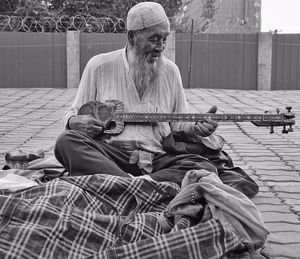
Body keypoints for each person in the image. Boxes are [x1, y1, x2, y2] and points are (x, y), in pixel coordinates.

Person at [54, 2, 230, 186]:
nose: (160, 47)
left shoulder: (171, 71)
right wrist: (73, 122)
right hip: (110, 156)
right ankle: (145, 185)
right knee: (66, 142)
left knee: (205, 167)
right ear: (132, 37)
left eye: (164, 39)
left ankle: (127, 185)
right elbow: (73, 114)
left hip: (157, 159)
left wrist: (196, 128)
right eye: (154, 39)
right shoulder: (99, 66)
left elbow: (179, 124)